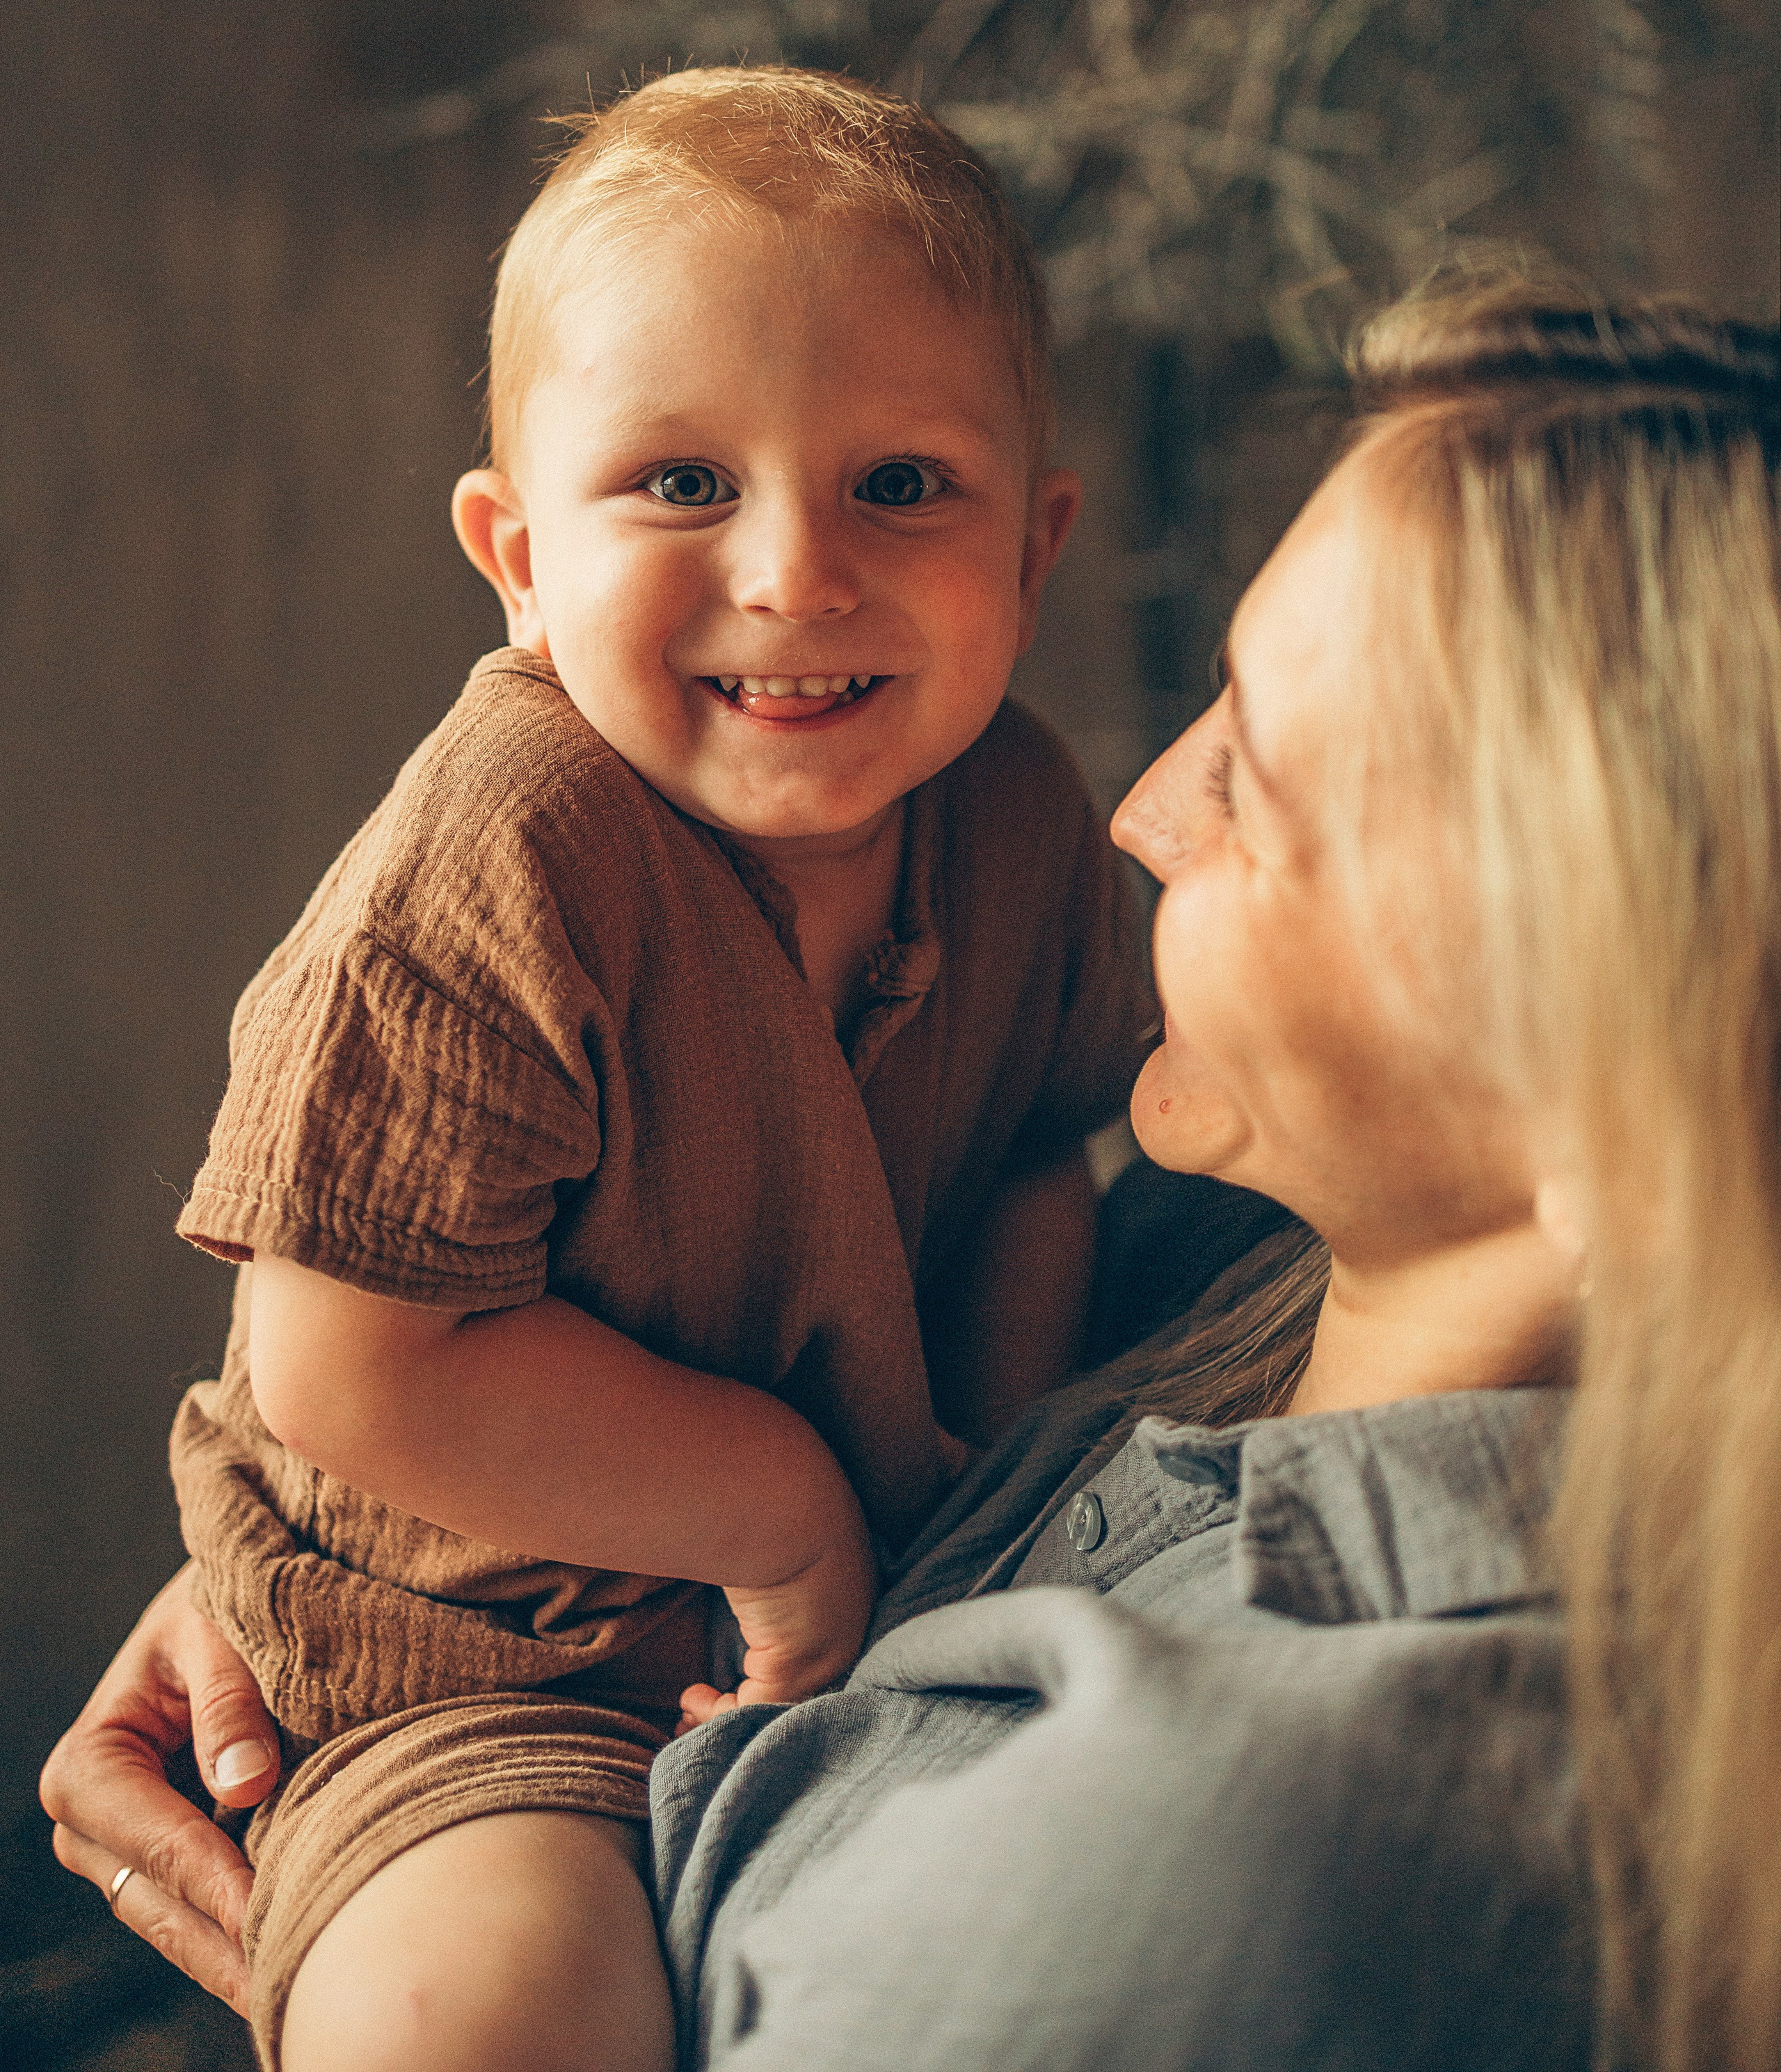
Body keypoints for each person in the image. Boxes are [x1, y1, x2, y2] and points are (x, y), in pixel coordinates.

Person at [43, 271, 1781, 2072]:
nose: (1141, 812)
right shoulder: (1219, 1247)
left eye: (1255, 789)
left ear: (1628, 1125)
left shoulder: (1202, 1870)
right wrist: (363, 1583)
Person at [133, 64, 1152, 2072]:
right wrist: (779, 1512)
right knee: (483, 2008)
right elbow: (347, 1363)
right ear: (514, 553)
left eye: (900, 484)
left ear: (1034, 552)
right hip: (469, 1658)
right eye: (683, 484)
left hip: (884, 1583)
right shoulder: (505, 852)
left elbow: (1035, 1158)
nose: (794, 571)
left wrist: (989, 1488)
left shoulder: (1022, 815)